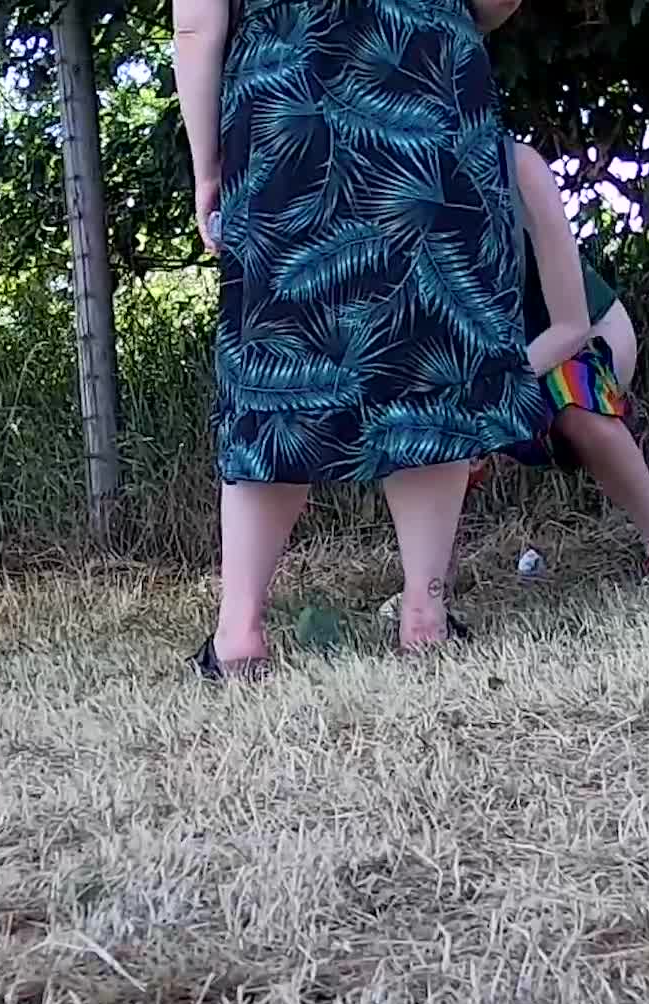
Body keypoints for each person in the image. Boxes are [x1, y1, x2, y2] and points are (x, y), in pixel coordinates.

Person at [171, 0, 553, 678]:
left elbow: (196, 24)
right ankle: (425, 616)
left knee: (281, 365)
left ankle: (239, 635)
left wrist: (208, 170)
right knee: (427, 354)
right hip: (428, 89)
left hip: (288, 105)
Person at [382, 142, 649, 619]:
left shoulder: (519, 168)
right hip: (491, 367)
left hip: (583, 340)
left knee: (571, 394)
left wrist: (490, 393)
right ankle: (429, 585)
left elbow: (572, 326)